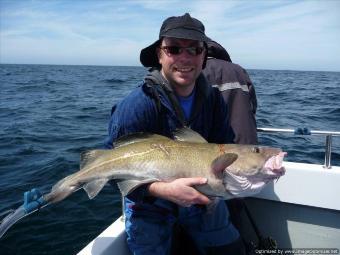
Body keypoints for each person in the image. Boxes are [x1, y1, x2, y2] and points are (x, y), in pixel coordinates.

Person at [106, 13, 246, 255]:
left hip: (204, 197)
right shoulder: (137, 106)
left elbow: (225, 147)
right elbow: (110, 171)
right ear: (159, 55)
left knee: (232, 250)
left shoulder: (213, 100)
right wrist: (162, 190)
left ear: (204, 57)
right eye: (173, 49)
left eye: (194, 49)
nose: (185, 57)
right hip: (148, 205)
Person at [203, 39, 258, 145]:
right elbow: (253, 107)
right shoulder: (239, 70)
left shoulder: (194, 72)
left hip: (216, 150)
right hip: (247, 144)